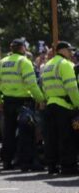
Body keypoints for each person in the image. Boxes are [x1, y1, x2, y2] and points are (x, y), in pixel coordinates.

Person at [0, 39, 45, 171]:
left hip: (8, 102)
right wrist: (41, 99)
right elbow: (31, 84)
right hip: (24, 102)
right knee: (26, 133)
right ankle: (25, 163)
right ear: (22, 49)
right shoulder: (24, 61)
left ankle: (7, 162)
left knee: (8, 133)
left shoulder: (2, 63)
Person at [41, 41, 79, 175]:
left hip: (50, 104)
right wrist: (77, 104)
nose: (71, 53)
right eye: (70, 50)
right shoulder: (66, 64)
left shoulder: (47, 65)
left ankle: (52, 166)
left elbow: (44, 86)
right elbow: (71, 87)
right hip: (64, 105)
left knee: (51, 138)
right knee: (66, 138)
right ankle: (68, 167)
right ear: (63, 50)